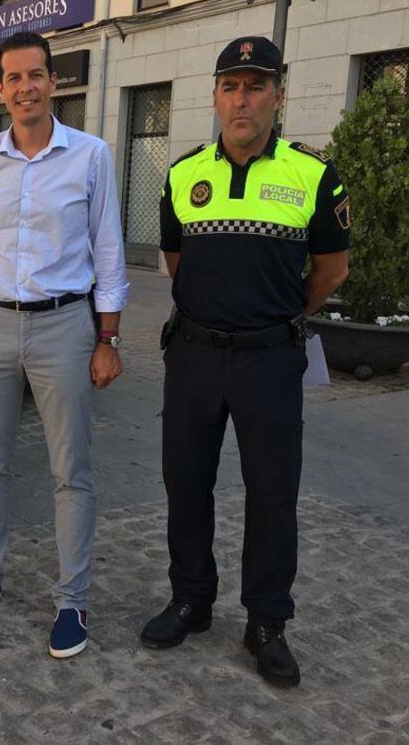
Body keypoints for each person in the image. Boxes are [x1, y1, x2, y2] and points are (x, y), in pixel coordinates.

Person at [141, 36, 350, 687]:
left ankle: (267, 622)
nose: (242, 98)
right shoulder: (183, 174)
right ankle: (191, 600)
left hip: (269, 360)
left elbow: (331, 270)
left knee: (272, 495)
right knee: (185, 483)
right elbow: (177, 264)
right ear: (214, 97)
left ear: (278, 96)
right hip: (195, 354)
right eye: (231, 85)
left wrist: (278, 315)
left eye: (256, 85)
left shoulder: (314, 176)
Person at [0, 32, 130, 660]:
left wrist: (108, 337)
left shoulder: (91, 156)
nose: (25, 87)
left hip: (63, 327)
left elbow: (107, 249)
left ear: (54, 82)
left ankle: (72, 599)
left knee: (69, 471)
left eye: (36, 76)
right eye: (13, 77)